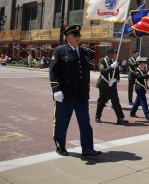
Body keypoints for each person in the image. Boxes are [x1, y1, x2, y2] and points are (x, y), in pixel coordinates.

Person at [49, 25, 101, 157]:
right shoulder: (59, 51)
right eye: (75, 35)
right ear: (68, 37)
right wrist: (56, 89)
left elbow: (86, 74)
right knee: (61, 122)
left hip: (81, 95)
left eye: (79, 35)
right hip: (65, 95)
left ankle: (87, 148)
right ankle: (60, 146)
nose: (78, 37)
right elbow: (53, 71)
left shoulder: (83, 52)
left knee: (85, 123)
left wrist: (86, 91)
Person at [95, 47, 129, 125]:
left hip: (112, 86)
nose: (114, 55)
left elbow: (116, 72)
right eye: (112, 53)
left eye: (114, 53)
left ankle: (120, 118)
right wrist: (111, 67)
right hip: (103, 85)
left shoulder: (114, 61)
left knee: (116, 102)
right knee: (101, 102)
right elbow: (103, 72)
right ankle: (97, 117)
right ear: (108, 54)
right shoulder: (102, 61)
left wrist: (116, 79)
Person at [130, 57, 149, 121]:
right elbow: (140, 77)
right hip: (139, 87)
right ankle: (148, 115)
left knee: (137, 102)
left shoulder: (145, 70)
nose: (145, 64)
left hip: (144, 88)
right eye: (144, 63)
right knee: (144, 102)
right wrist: (148, 75)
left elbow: (147, 79)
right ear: (140, 63)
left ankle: (132, 112)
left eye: (145, 63)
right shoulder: (136, 70)